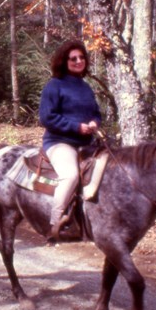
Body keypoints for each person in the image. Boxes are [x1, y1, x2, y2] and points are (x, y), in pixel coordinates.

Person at [39, 40, 102, 242]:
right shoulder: (54, 85)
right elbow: (46, 118)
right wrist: (77, 127)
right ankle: (54, 224)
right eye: (73, 58)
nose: (78, 61)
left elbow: (96, 113)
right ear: (63, 61)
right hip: (59, 142)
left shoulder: (85, 87)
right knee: (71, 175)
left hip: (86, 143)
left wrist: (94, 122)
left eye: (81, 57)